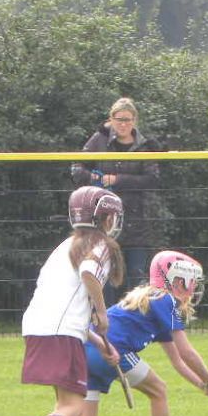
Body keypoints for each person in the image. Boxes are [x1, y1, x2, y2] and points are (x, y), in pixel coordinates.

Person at [31, 251, 208, 416]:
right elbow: (187, 353)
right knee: (158, 390)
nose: (194, 286)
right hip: (112, 351)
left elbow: (177, 361)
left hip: (83, 351)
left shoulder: (152, 301)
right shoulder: (165, 301)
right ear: (177, 280)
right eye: (191, 280)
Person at [14, 186, 125, 416]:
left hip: (38, 327)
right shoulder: (100, 245)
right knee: (74, 406)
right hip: (62, 331)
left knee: (63, 402)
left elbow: (69, 304)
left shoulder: (64, 246)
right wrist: (102, 312)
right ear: (105, 217)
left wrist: (101, 344)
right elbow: (89, 272)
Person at [71, 97, 162, 291]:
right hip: (103, 223)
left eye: (127, 120)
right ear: (111, 119)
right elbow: (77, 170)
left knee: (137, 279)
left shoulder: (145, 146)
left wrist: (117, 180)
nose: (123, 124)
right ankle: (105, 311)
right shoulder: (98, 140)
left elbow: (152, 179)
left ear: (134, 121)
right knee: (105, 278)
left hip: (136, 221)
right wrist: (95, 179)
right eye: (119, 119)